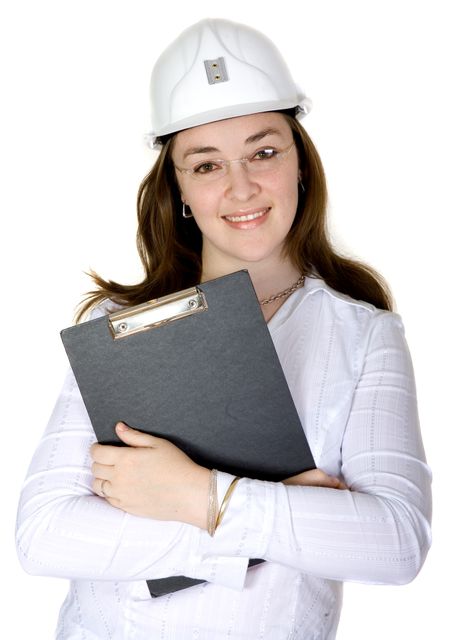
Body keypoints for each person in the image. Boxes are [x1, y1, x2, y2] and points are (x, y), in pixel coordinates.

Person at [16, 18, 432, 639]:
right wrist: (283, 519)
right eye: (206, 165)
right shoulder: (116, 330)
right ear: (180, 188)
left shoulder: (363, 335)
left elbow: (396, 544)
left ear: (301, 165)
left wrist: (198, 497)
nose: (241, 188)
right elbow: (43, 535)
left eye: (264, 152)